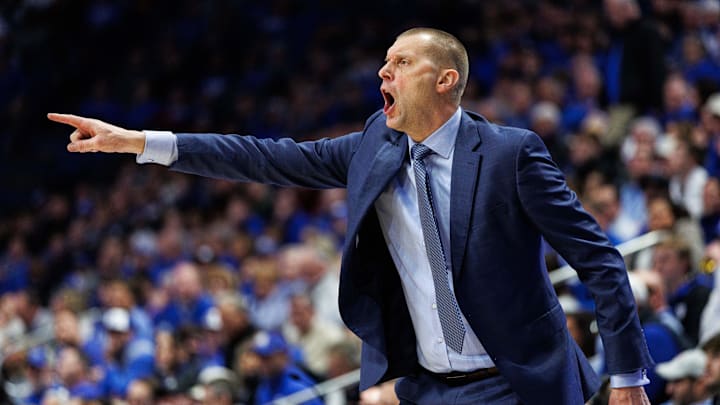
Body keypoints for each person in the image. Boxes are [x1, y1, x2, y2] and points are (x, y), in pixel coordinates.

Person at [48, 27, 653, 404]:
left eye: (400, 63)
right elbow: (266, 157)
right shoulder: (374, 144)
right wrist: (141, 143)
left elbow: (599, 262)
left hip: (519, 381)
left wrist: (626, 375)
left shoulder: (509, 153)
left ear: (446, 81)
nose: (383, 73)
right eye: (383, 63)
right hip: (429, 388)